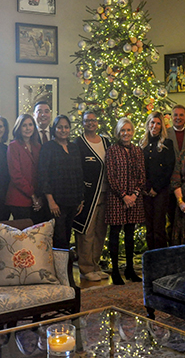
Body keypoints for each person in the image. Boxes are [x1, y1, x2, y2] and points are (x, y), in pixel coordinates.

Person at [105, 117, 146, 285]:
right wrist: (124, 196)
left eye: (128, 130)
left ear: (133, 132)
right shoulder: (112, 151)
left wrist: (134, 194)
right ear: (118, 132)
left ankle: (130, 269)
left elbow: (142, 175)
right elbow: (110, 176)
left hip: (134, 199)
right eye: (123, 130)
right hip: (117, 198)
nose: (126, 133)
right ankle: (115, 270)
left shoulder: (137, 151)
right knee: (114, 234)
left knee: (130, 234)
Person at [73, 111, 110, 282]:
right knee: (86, 232)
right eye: (87, 121)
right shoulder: (78, 143)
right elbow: (77, 171)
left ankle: (95, 265)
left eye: (93, 120)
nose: (91, 123)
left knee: (100, 232)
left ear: (97, 123)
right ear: (83, 123)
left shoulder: (106, 141)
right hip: (88, 196)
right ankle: (85, 268)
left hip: (105, 193)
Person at [38, 115, 84, 249]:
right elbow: (43, 175)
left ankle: (65, 269)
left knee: (68, 236)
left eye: (66, 127)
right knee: (59, 238)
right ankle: (56, 269)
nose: (63, 130)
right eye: (60, 127)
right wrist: (50, 200)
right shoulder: (48, 147)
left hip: (73, 201)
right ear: (54, 129)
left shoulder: (74, 147)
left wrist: (81, 198)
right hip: (56, 202)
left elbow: (79, 173)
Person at [140, 111, 175, 250]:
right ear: (148, 124)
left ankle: (161, 261)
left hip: (161, 191)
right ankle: (150, 260)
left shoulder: (167, 143)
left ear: (162, 126)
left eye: (158, 123)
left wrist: (156, 188)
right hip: (146, 191)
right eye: (152, 122)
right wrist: (147, 188)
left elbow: (168, 169)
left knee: (158, 228)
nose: (154, 126)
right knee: (149, 228)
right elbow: (141, 169)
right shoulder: (142, 144)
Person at [6, 114, 42, 221]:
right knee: (23, 236)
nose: (28, 128)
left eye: (30, 125)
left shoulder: (38, 146)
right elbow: (16, 175)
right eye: (24, 125)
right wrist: (32, 195)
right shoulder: (13, 146)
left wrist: (39, 197)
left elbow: (41, 172)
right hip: (19, 199)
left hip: (37, 198)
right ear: (19, 128)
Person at [166, 104, 185, 243]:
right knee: (171, 218)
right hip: (169, 183)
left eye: (181, 115)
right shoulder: (165, 133)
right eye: (175, 115)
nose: (178, 118)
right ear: (171, 117)